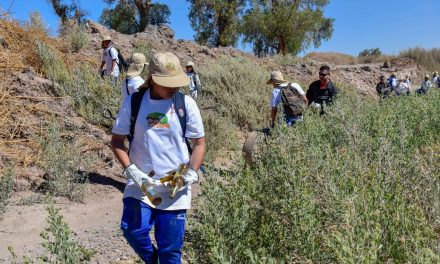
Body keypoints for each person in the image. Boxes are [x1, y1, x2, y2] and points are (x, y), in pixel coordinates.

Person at [111, 52, 206, 264]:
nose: (173, 88)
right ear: (152, 79)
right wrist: (131, 170)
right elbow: (117, 141)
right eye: (167, 83)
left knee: (170, 251)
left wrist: (191, 173)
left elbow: (199, 144)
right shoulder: (133, 102)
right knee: (133, 230)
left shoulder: (186, 104)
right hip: (141, 184)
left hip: (175, 188)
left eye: (176, 82)